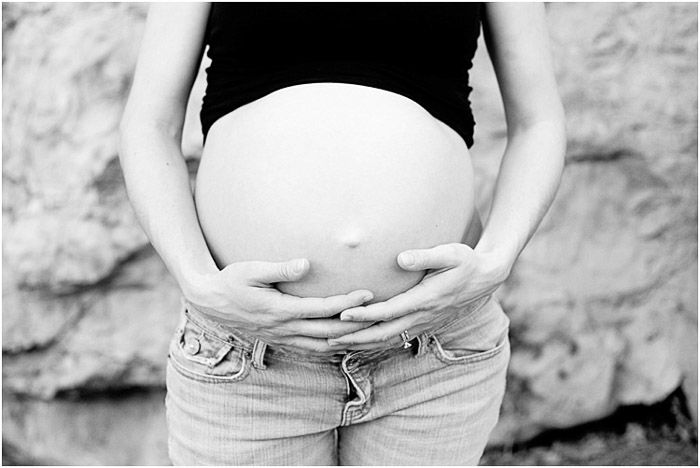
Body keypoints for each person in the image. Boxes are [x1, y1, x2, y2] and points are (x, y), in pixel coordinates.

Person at [119, 2, 565, 465]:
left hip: (430, 349)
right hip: (250, 352)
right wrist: (198, 282)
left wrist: (495, 261)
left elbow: (539, 122)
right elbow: (150, 126)